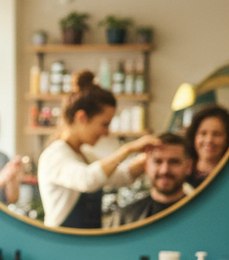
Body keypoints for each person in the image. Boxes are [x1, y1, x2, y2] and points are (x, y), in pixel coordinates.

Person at [36, 70, 159, 228]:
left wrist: (151, 156)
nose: (107, 132)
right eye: (104, 124)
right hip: (62, 245)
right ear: (82, 117)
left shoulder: (84, 155)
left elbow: (121, 176)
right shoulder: (54, 155)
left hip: (88, 244)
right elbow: (87, 180)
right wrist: (128, 149)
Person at [107, 133, 194, 227]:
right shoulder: (124, 217)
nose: (164, 170)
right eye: (158, 161)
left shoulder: (199, 214)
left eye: (174, 162)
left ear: (188, 166)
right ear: (146, 165)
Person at [184, 103, 229, 188]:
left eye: (216, 134)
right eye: (203, 133)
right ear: (194, 136)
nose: (209, 140)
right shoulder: (182, 173)